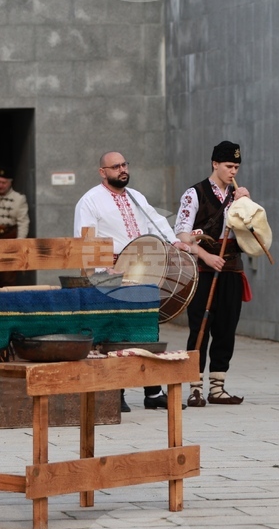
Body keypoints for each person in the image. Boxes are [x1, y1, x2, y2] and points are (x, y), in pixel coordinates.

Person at [74, 151, 194, 411]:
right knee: (117, 332)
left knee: (147, 328)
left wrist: (174, 242)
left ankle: (153, 393)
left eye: (124, 164)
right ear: (102, 172)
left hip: (143, 270)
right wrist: (100, 272)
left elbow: (156, 221)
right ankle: (116, 394)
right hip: (110, 273)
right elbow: (85, 239)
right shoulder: (90, 201)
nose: (122, 169)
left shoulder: (136, 196)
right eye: (115, 166)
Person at [175, 141, 251, 407]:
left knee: (226, 326)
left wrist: (248, 207)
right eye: (229, 166)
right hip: (203, 267)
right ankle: (194, 385)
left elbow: (251, 233)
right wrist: (206, 255)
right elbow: (182, 233)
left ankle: (218, 386)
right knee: (200, 326)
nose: (233, 171)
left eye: (237, 167)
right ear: (215, 164)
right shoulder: (194, 193)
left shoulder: (237, 194)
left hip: (230, 267)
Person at [0, 165, 30, 287]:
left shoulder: (19, 199)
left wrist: (20, 242)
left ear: (10, 182)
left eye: (3, 182)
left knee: (8, 276)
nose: (1, 185)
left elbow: (23, 222)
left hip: (9, 238)